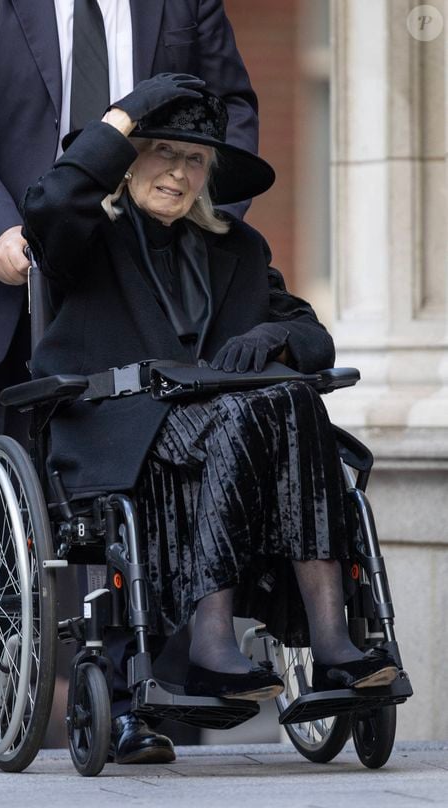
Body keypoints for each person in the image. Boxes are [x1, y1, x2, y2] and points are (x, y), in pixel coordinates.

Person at [0, 0, 259, 763]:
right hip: (7, 282)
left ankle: (139, 697)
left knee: (147, 483)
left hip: (143, 280)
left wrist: (201, 223)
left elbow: (233, 111)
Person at [21, 74, 400, 736]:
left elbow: (313, 336)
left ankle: (332, 641)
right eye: (163, 152)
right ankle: (212, 639)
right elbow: (52, 203)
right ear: (129, 160)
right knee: (257, 409)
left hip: (232, 434)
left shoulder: (237, 248)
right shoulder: (86, 239)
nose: (178, 172)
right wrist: (127, 115)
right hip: (124, 427)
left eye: (194, 159)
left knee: (294, 398)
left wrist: (273, 335)